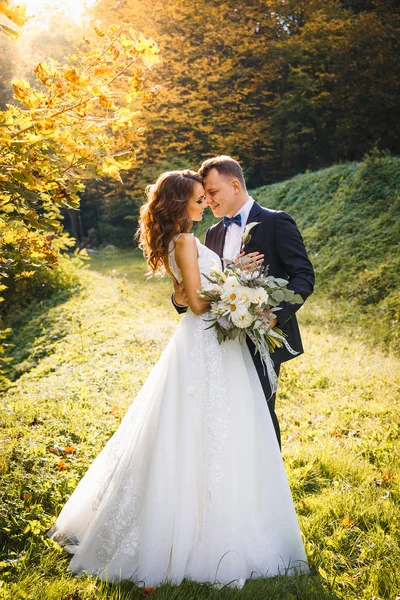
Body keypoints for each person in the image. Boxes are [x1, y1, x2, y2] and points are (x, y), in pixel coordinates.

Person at [48, 169, 308, 587]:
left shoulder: (190, 239)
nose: (204, 202)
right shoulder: (189, 240)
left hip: (213, 343)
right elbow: (197, 303)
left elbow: (192, 291)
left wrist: (232, 278)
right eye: (197, 198)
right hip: (207, 340)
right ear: (180, 203)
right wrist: (238, 285)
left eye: (208, 195)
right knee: (209, 427)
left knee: (216, 426)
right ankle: (213, 523)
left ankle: (239, 506)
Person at [172, 156, 315, 448]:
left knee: (260, 414)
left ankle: (270, 488)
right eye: (203, 195)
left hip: (262, 337)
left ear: (235, 185)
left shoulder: (276, 222)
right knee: (224, 417)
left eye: (212, 193)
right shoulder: (212, 232)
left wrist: (274, 315)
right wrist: (178, 299)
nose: (207, 200)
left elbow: (304, 276)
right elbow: (204, 287)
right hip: (220, 341)